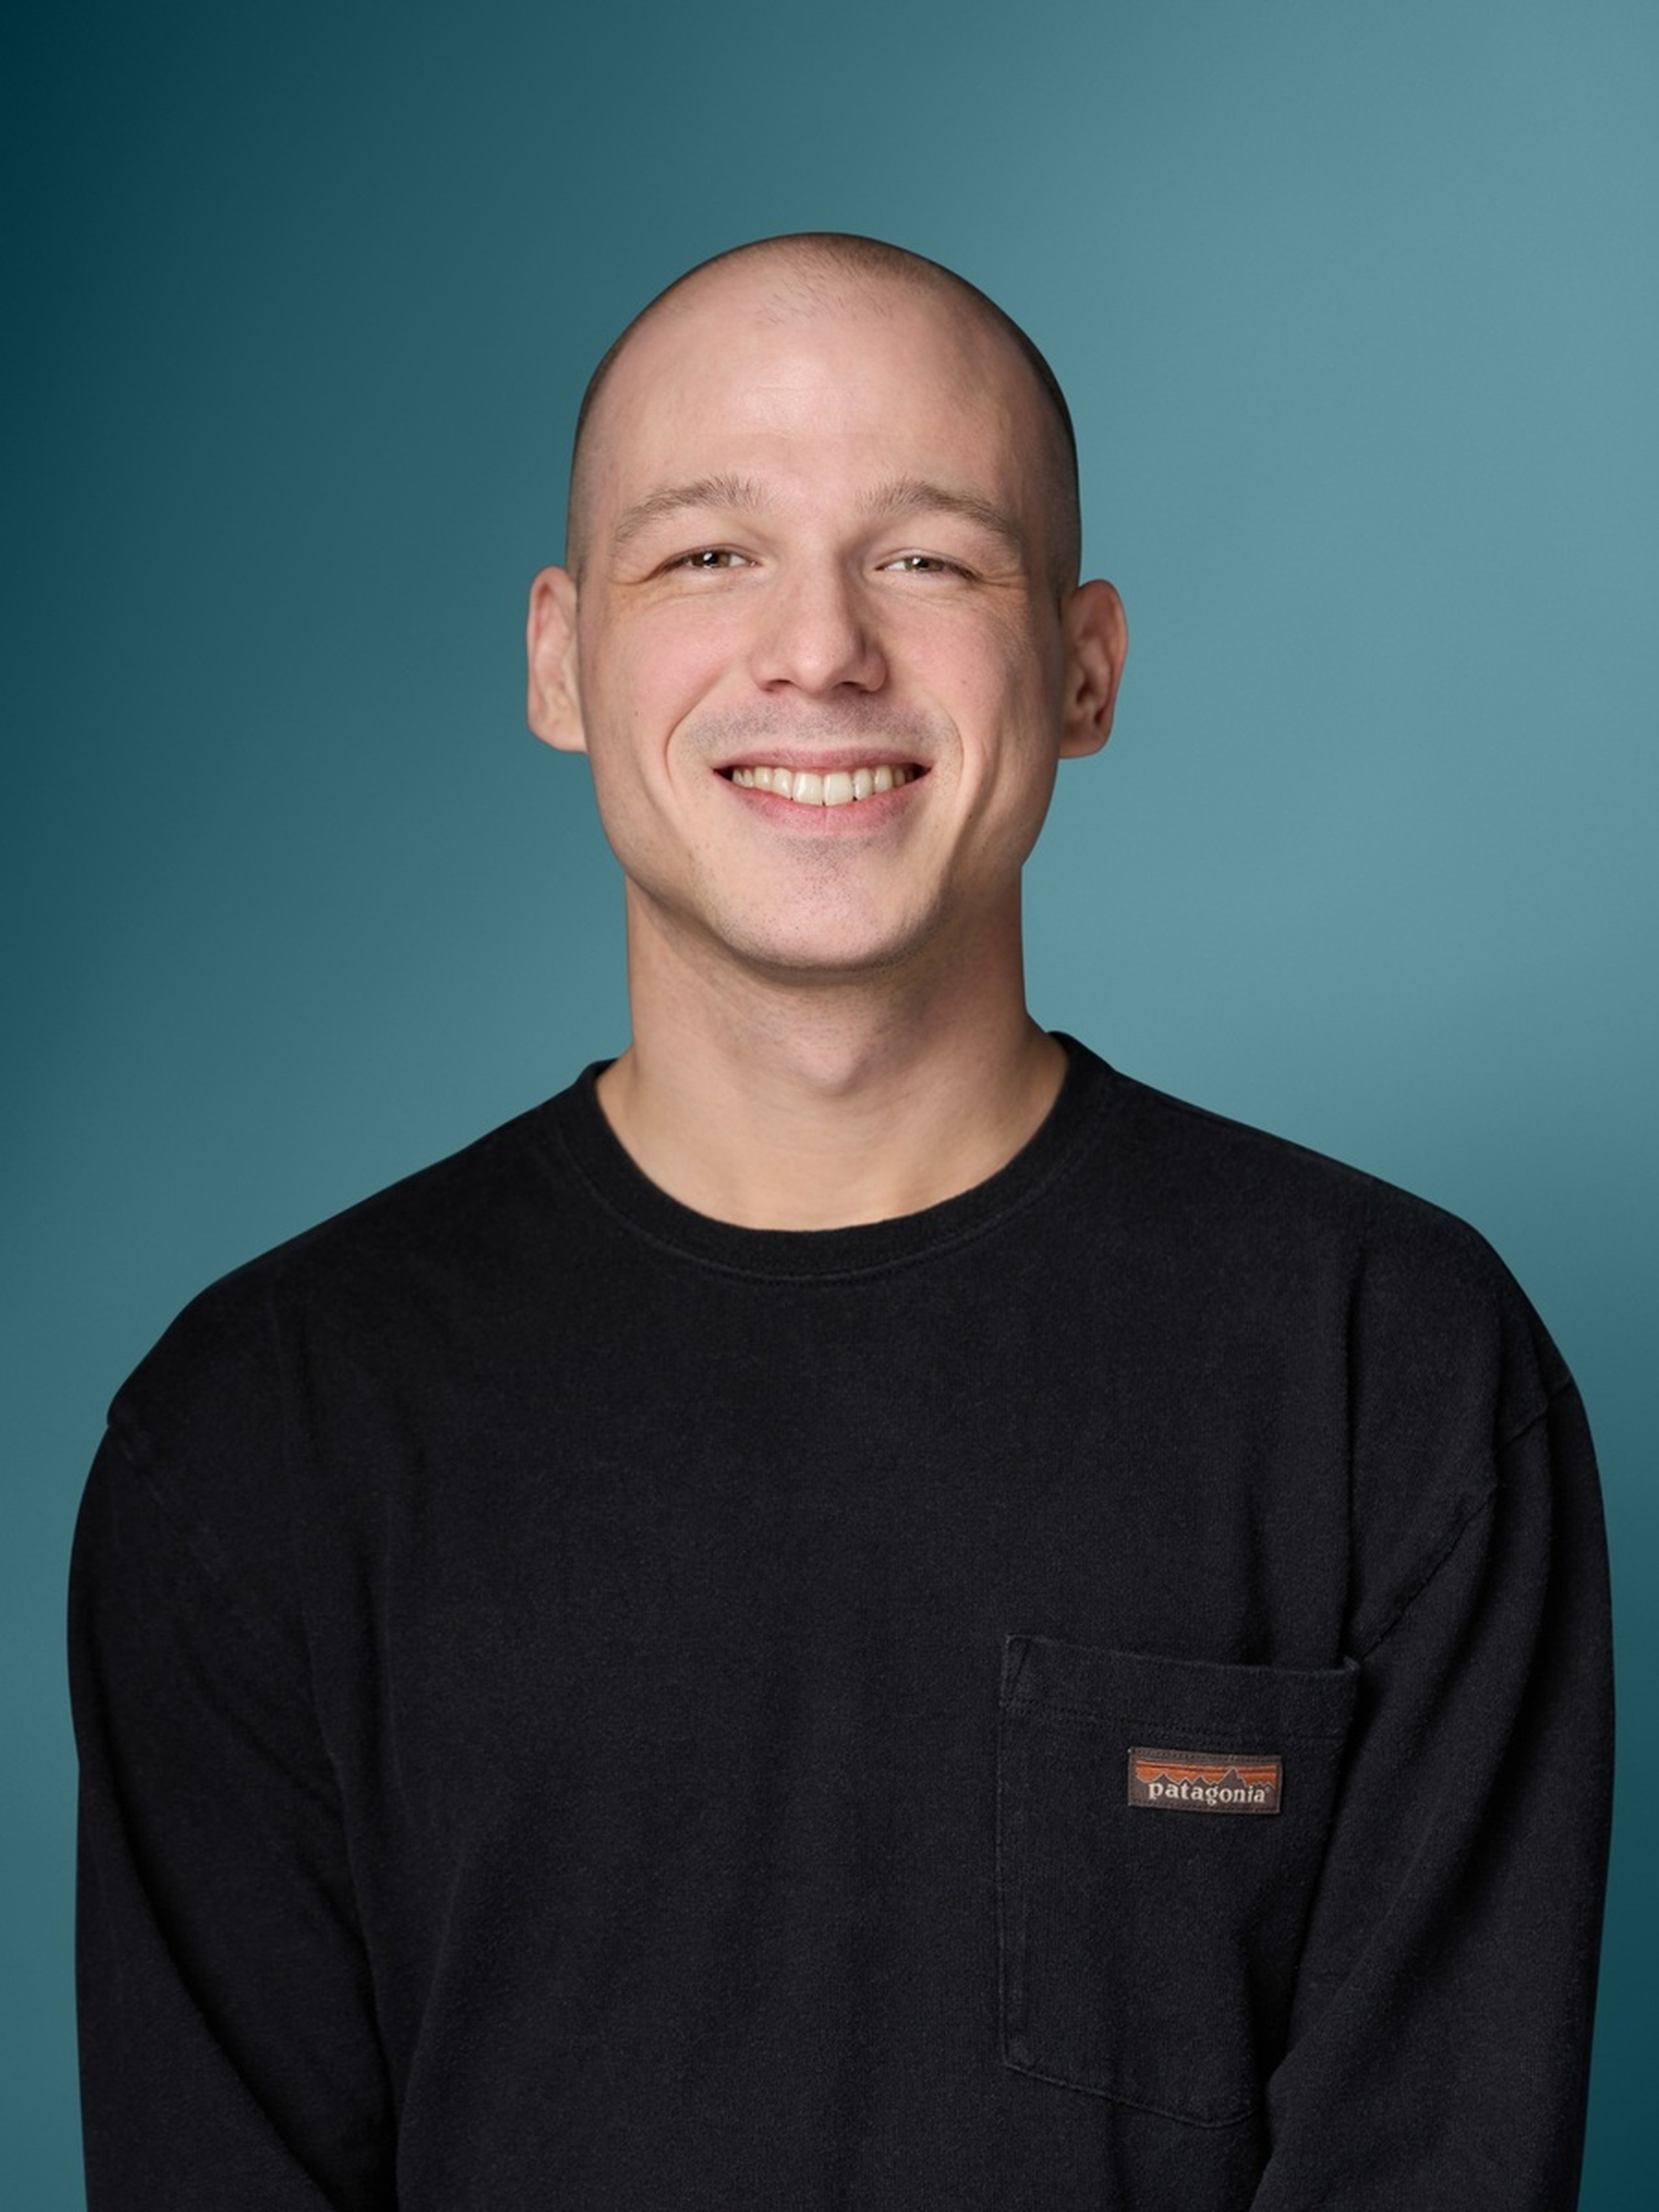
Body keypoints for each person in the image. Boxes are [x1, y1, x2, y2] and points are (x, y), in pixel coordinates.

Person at [70, 233, 1611, 2211]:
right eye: (709, 554)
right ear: (560, 659)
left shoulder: (1393, 1379)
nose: (820, 651)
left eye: (932, 558)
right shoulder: (257, 1441)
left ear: (1085, 666)